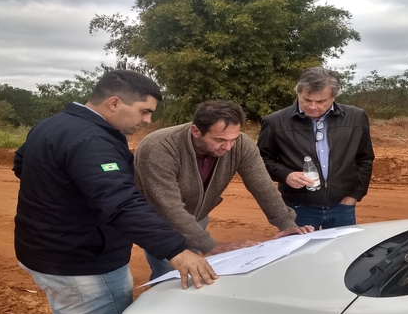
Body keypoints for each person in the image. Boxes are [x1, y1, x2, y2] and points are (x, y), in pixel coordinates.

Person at [13, 70, 217, 314]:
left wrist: (63, 195)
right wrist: (176, 250)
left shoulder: (52, 125)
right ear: (114, 103)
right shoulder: (92, 141)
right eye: (144, 111)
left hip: (43, 253)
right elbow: (122, 203)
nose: (147, 120)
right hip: (82, 263)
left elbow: (22, 165)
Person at [134, 100, 314, 280]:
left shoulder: (241, 145)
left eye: (232, 139)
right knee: (171, 275)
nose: (228, 147)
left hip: (197, 216)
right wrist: (213, 246)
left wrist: (287, 224)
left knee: (193, 266)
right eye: (220, 140)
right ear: (196, 131)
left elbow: (263, 187)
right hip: (160, 222)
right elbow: (168, 207)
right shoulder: (159, 148)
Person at [257, 67, 375, 230]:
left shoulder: (356, 117)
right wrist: (286, 175)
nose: (312, 106)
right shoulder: (274, 122)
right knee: (300, 254)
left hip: (342, 206)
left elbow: (364, 158)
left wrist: (355, 195)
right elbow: (262, 160)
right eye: (306, 99)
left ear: (334, 97)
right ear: (298, 93)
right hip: (298, 206)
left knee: (341, 253)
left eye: (320, 101)